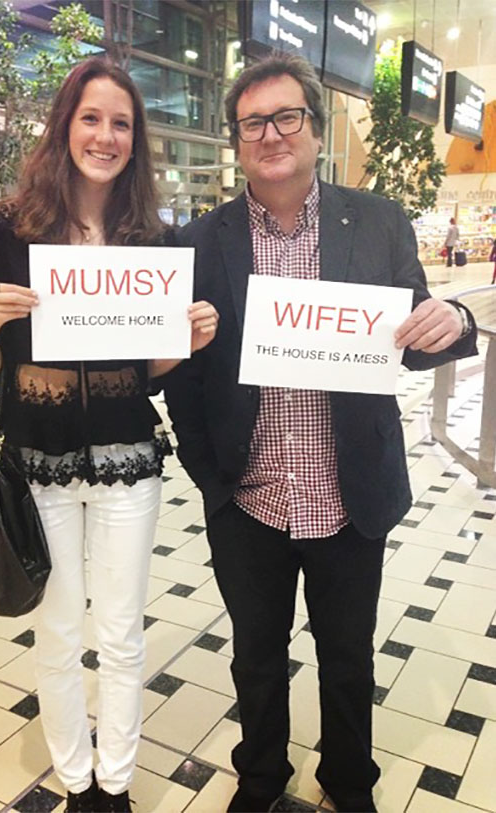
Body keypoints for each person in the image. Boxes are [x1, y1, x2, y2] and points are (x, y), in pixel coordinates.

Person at [163, 55, 477, 813]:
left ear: (313, 127)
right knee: (255, 656)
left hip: (348, 494)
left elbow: (413, 336)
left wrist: (455, 321)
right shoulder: (197, 243)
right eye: (252, 123)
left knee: (347, 656)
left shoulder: (377, 221)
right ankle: (261, 775)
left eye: (286, 117)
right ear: (236, 140)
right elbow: (182, 372)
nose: (271, 134)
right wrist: (210, 475)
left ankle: (347, 779)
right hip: (249, 497)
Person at [0, 57, 218, 813]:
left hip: (126, 461)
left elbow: (151, 376)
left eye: (121, 124)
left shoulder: (156, 240)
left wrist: (184, 344)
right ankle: (77, 782)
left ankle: (116, 782)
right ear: (64, 126)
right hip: (33, 462)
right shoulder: (7, 227)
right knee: (57, 631)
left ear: (136, 140)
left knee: (122, 631)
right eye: (92, 119)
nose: (106, 137)